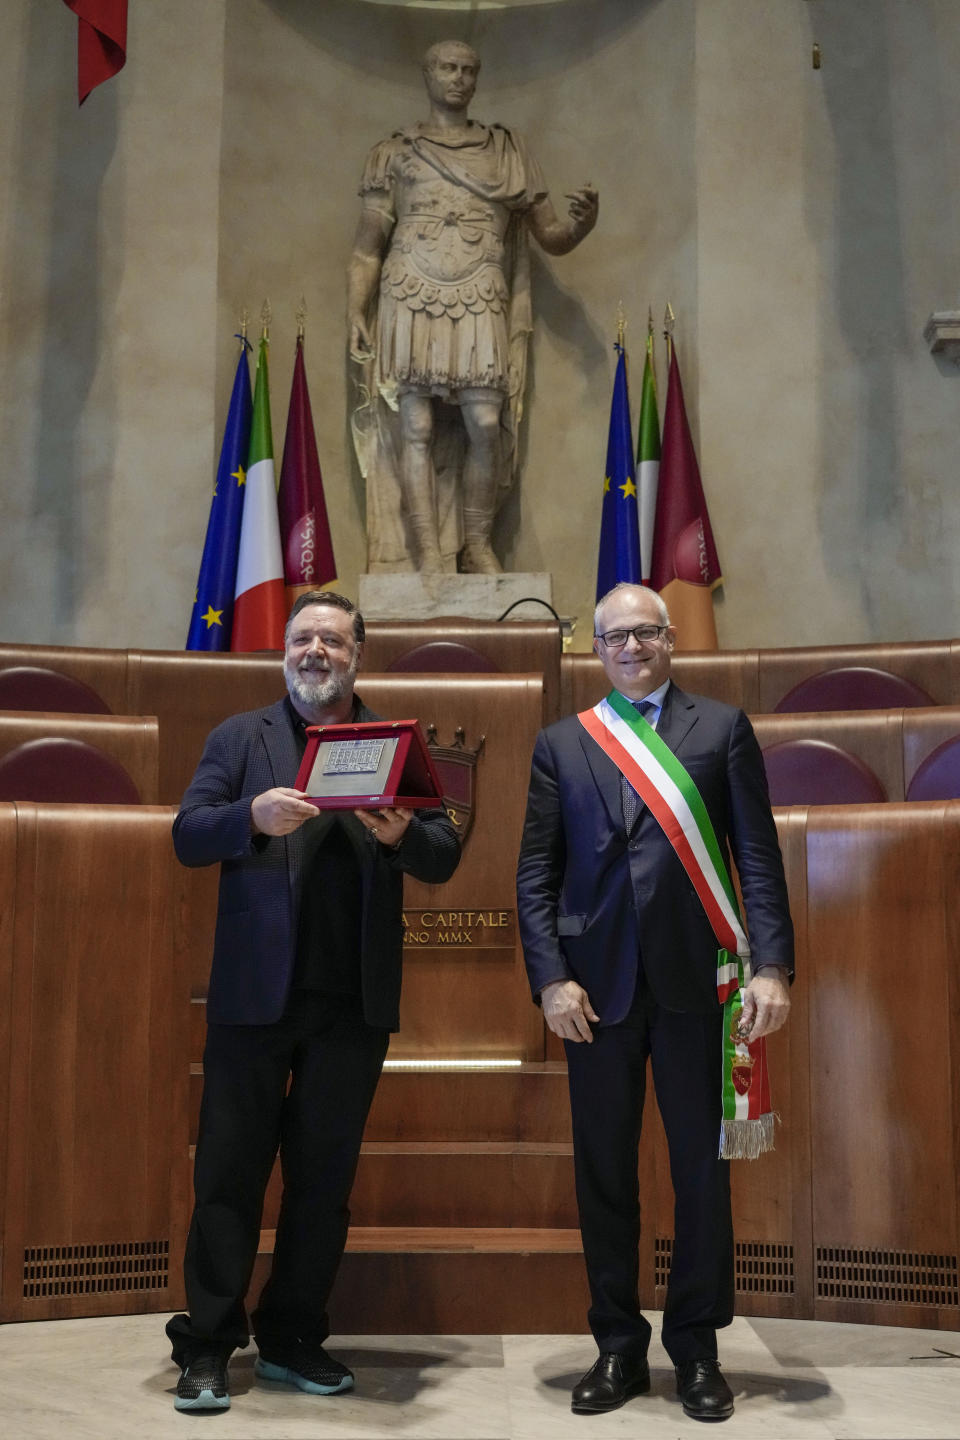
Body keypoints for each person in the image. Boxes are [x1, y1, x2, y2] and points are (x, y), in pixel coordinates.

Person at [165, 590, 460, 1413]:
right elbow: (188, 833)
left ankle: (293, 1335)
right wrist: (249, 818)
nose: (315, 651)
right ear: (283, 653)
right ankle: (208, 1346)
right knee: (228, 1175)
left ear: (359, 656)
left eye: (332, 639)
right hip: (253, 1002)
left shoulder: (395, 745)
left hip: (350, 1005)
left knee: (322, 1183)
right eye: (302, 639)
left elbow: (442, 854)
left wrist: (405, 836)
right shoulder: (239, 738)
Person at [516, 583, 793, 1423]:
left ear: (671, 640)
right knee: (604, 1174)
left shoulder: (721, 729)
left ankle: (698, 1350)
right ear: (595, 651)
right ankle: (616, 1346)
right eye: (615, 638)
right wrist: (549, 977)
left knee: (699, 1176)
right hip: (593, 997)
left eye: (645, 633)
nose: (631, 647)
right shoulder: (562, 744)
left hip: (698, 988)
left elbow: (757, 856)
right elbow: (535, 875)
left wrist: (773, 968)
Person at [347, 39, 598, 575]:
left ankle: (477, 542)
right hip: (409, 289)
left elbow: (549, 234)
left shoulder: (507, 151)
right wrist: (356, 311)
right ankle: (428, 552)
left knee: (485, 419)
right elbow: (368, 246)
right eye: (446, 67)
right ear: (427, 74)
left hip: (479, 289)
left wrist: (580, 226)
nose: (457, 78)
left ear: (477, 79)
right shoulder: (394, 154)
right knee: (415, 427)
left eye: (467, 70)